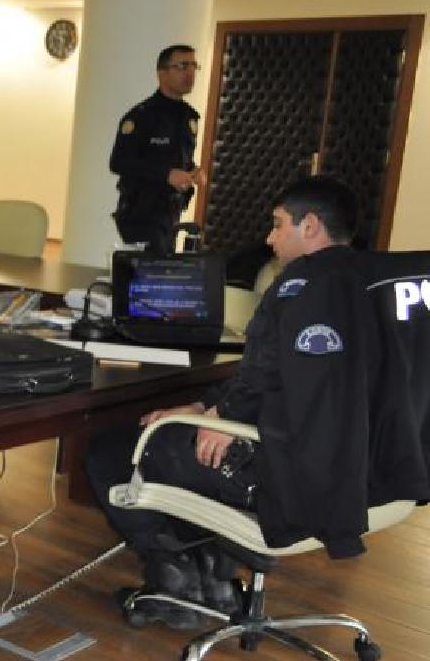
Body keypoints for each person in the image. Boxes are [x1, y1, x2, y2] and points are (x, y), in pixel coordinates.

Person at [85, 177, 362, 629]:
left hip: (278, 470)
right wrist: (206, 409)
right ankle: (214, 575)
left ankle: (173, 582)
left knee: (112, 450)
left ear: (310, 226)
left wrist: (222, 416)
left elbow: (263, 378)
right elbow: (282, 379)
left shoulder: (297, 287)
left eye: (278, 224)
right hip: (350, 469)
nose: (269, 238)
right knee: (184, 437)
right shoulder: (372, 288)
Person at [109, 44, 203, 253]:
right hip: (142, 212)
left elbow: (179, 158)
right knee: (151, 268)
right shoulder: (142, 116)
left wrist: (193, 171)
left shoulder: (188, 116)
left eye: (193, 66)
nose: (190, 73)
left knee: (165, 265)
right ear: (162, 73)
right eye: (182, 66)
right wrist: (166, 174)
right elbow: (118, 162)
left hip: (171, 210)